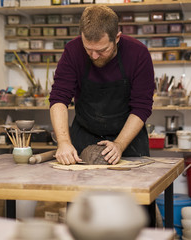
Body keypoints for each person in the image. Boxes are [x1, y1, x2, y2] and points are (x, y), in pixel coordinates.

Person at [49, 5, 155, 166]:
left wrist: (119, 144)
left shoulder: (138, 54)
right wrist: (63, 142)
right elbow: (58, 98)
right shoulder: (73, 51)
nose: (94, 56)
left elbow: (142, 106)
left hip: (128, 138)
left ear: (117, 38)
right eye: (88, 49)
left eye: (102, 50)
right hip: (85, 135)